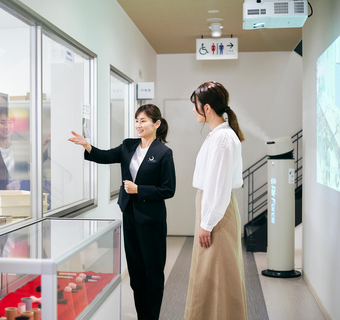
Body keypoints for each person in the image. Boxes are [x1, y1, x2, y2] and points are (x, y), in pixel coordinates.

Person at [68, 104, 176, 320]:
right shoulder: (128, 146)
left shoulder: (163, 153)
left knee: (152, 274)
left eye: (143, 121)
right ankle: (141, 316)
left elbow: (169, 189)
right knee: (136, 274)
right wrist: (87, 145)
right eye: (136, 120)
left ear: (157, 124)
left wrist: (139, 190)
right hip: (129, 216)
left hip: (152, 220)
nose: (138, 125)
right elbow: (105, 156)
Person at [184, 81, 247, 320]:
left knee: (218, 273)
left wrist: (207, 223)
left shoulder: (223, 138)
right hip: (212, 209)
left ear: (207, 107)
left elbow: (218, 187)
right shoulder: (218, 136)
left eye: (195, 105)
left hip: (216, 212)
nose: (193, 110)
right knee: (209, 273)